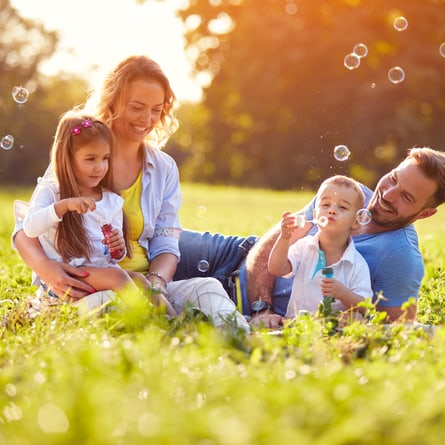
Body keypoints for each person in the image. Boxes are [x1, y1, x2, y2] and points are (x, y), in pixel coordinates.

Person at [13, 55, 250, 331]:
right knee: (110, 305)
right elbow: (24, 228)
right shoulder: (81, 155)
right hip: (88, 287)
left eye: (156, 110)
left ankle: (242, 340)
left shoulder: (163, 168)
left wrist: (156, 286)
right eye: (137, 107)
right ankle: (170, 335)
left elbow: (166, 241)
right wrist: (47, 269)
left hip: (143, 286)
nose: (147, 119)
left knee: (207, 287)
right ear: (113, 101)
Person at [172, 147, 445, 326]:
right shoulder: (346, 192)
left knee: (150, 290)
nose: (387, 194)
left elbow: (396, 331)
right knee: (152, 242)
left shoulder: (401, 258)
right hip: (235, 254)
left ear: (425, 213)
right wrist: (262, 308)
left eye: (406, 197)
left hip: (239, 305)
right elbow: (271, 244)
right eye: (394, 178)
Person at [17, 110, 174, 314]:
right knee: (118, 278)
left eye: (105, 158)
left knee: (140, 280)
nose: (99, 167)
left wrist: (118, 249)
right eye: (90, 159)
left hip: (98, 272)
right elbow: (30, 228)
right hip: (67, 276)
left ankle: (174, 320)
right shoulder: (52, 191)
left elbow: (112, 256)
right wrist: (63, 206)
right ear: (67, 158)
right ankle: (146, 320)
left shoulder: (110, 200)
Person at [268, 175, 372, 318]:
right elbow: (276, 268)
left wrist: (343, 293)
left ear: (356, 221)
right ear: (316, 214)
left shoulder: (356, 264)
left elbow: (366, 307)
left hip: (333, 333)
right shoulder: (304, 247)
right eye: (325, 205)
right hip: (297, 327)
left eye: (342, 207)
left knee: (356, 318)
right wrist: (284, 238)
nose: (332, 210)